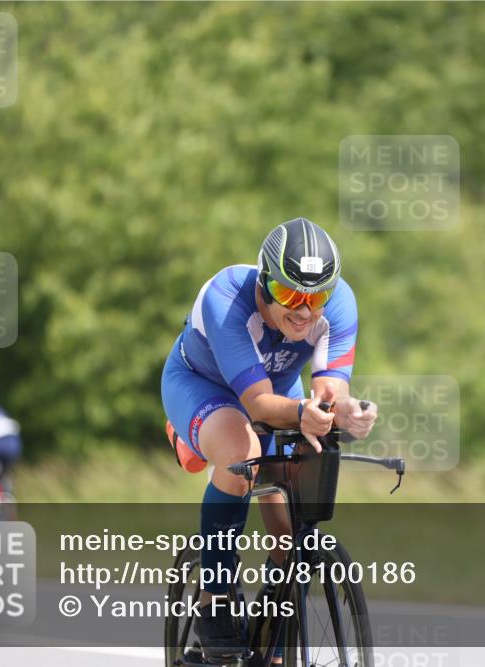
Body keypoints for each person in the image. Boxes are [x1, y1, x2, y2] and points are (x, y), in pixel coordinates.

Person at [161, 217, 377, 660]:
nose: (303, 311)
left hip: (278, 388)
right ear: (264, 281)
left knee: (293, 519)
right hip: (204, 384)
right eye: (288, 294)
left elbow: (329, 392)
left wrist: (346, 411)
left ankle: (274, 630)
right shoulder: (228, 298)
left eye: (316, 297)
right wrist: (303, 413)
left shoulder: (339, 305)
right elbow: (258, 406)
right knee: (243, 455)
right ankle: (214, 600)